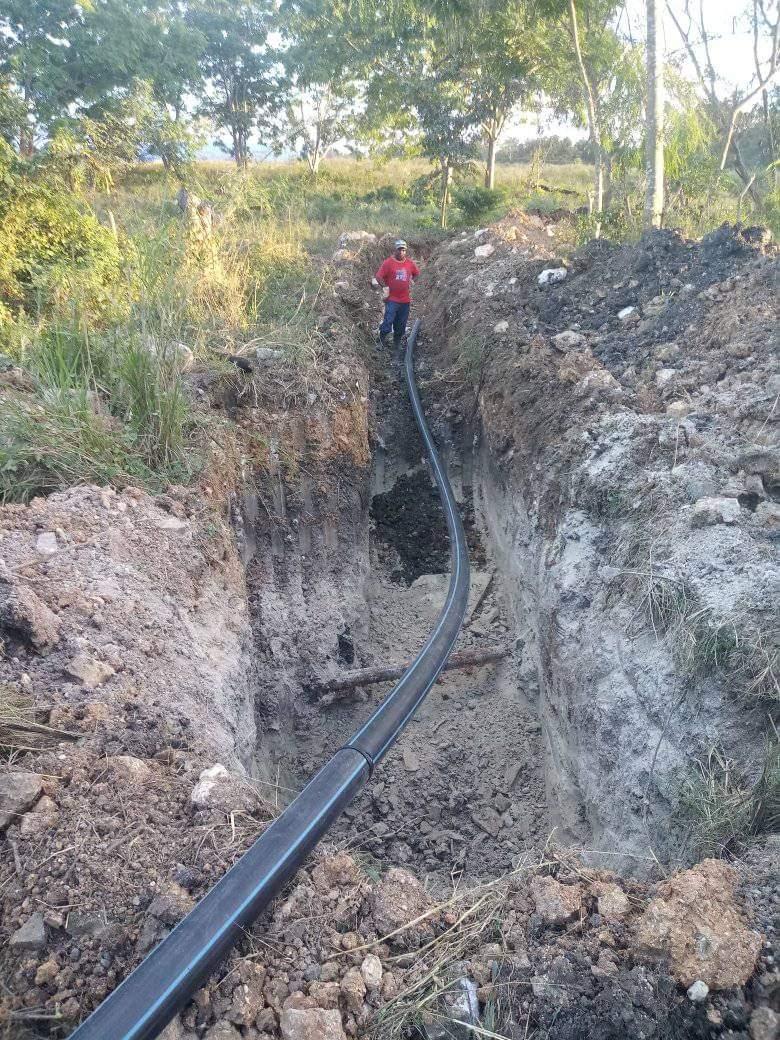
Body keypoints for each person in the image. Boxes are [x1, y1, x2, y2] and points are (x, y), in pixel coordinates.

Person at [374, 240, 420, 350]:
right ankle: (381, 340)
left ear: (406, 251)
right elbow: (378, 276)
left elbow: (417, 273)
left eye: (403, 250)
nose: (401, 252)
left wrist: (412, 281)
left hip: (405, 300)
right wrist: (385, 287)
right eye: (399, 250)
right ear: (395, 250)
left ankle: (397, 343)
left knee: (401, 323)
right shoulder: (388, 263)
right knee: (388, 320)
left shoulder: (409, 263)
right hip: (392, 299)